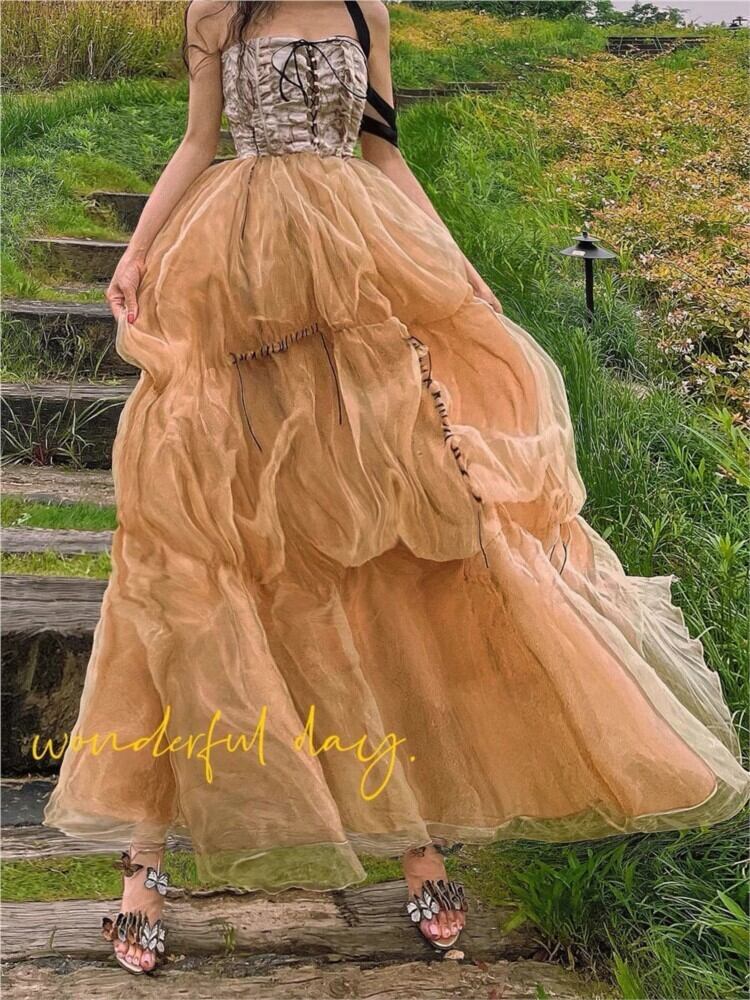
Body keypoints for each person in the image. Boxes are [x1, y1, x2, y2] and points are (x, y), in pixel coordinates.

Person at [43, 0, 750, 976]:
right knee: (206, 549)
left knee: (398, 544)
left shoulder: (361, 8)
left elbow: (384, 154)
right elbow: (198, 141)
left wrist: (456, 268)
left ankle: (419, 839)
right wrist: (136, 254)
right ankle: (143, 862)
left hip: (360, 272)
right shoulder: (217, 10)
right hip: (237, 276)